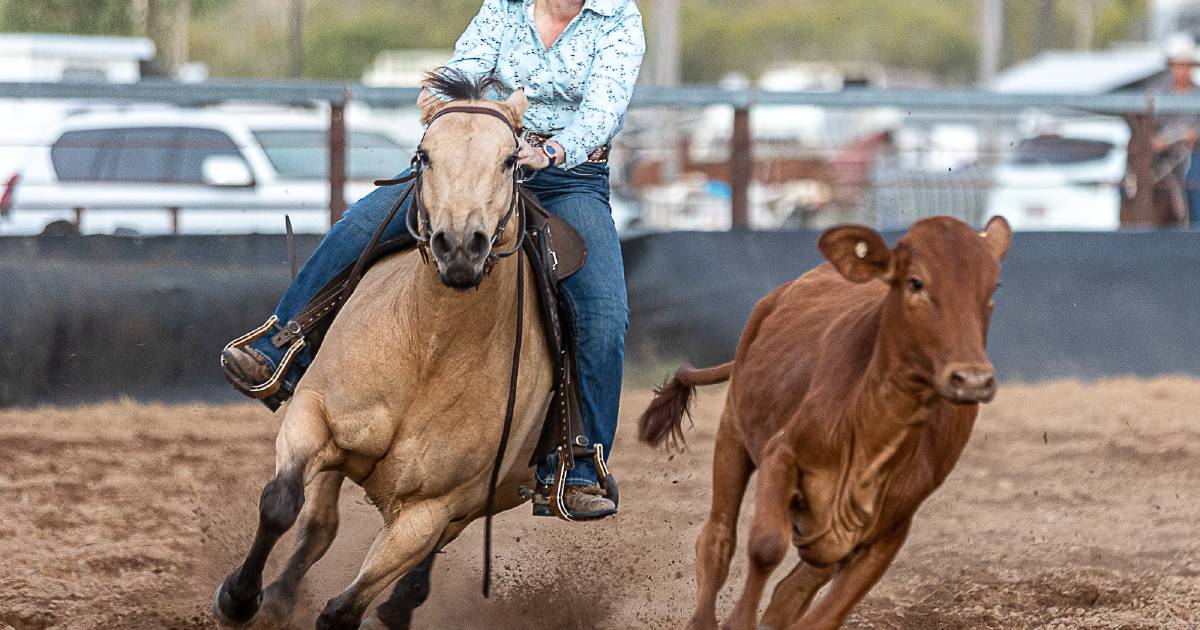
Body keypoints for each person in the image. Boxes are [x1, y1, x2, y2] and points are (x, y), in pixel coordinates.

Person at [220, 0, 645, 519]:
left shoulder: (618, 19)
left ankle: (577, 463)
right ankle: (281, 346)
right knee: (361, 226)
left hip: (567, 180)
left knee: (603, 314)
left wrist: (551, 151)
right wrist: (446, 98)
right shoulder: (506, 7)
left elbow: (605, 109)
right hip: (473, 157)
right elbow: (467, 64)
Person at [1153, 38, 1200, 224]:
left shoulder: (1198, 94)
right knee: (1132, 181)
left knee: (1193, 179)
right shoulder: (1158, 93)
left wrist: (1194, 136)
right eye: (1178, 65)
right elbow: (1147, 126)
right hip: (1162, 154)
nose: (1182, 70)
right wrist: (1155, 141)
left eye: (1186, 65)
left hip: (1193, 152)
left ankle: (1195, 229)